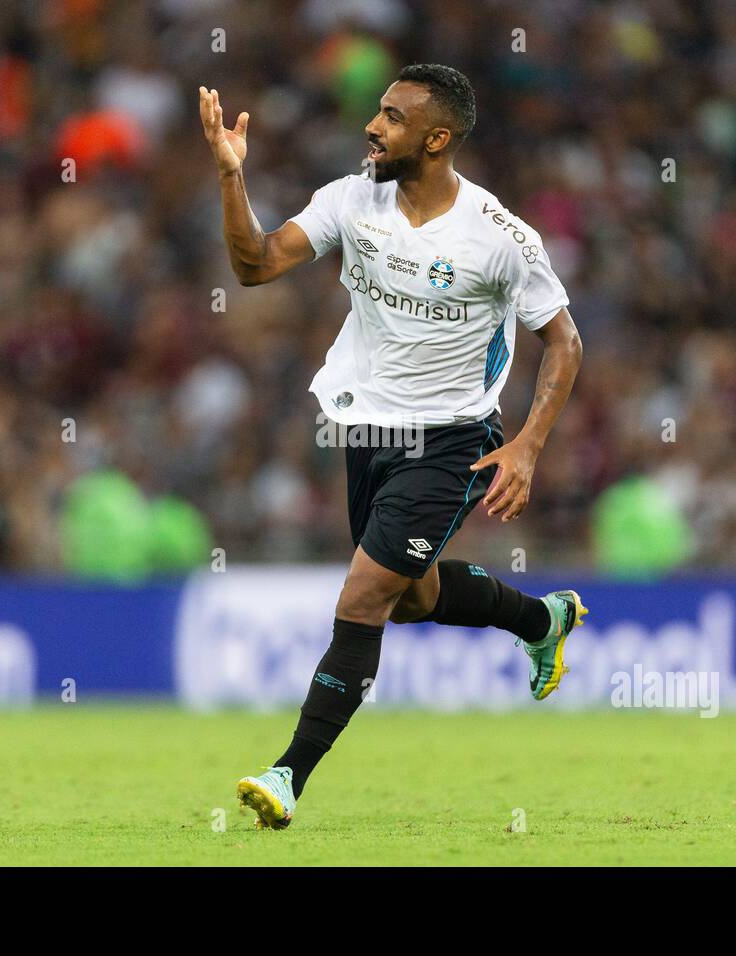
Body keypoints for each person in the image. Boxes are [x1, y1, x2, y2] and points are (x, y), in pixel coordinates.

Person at [199, 64, 586, 830]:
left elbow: (564, 342)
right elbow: (254, 265)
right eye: (377, 112)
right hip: (369, 432)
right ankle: (542, 622)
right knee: (411, 599)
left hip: (454, 440)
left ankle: (288, 776)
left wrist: (529, 447)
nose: (373, 127)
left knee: (364, 597)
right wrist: (230, 178)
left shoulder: (500, 237)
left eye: (393, 118)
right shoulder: (352, 199)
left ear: (437, 139)